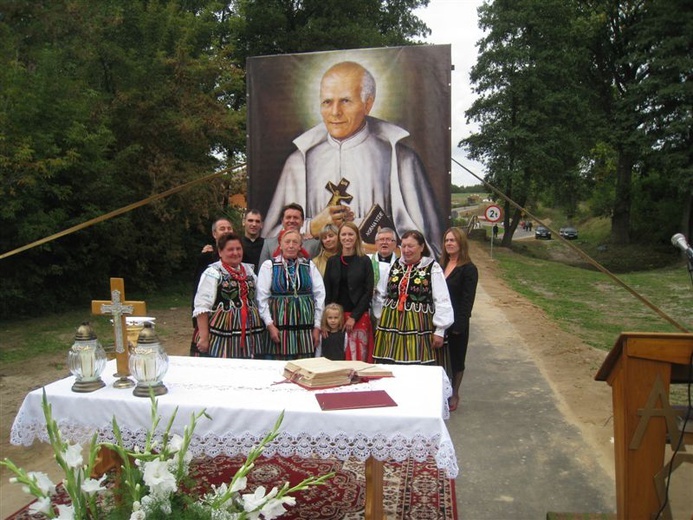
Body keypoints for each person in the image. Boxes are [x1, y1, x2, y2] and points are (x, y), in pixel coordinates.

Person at [263, 61, 443, 257]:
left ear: (368, 104)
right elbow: (271, 243)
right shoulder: (299, 162)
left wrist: (368, 248)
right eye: (327, 102)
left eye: (346, 101)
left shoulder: (401, 160)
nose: (335, 112)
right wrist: (312, 226)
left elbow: (428, 248)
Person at [373, 230, 453, 365]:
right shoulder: (395, 265)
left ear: (421, 247)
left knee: (418, 365)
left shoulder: (432, 268)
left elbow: (442, 299)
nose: (406, 250)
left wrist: (440, 330)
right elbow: (381, 293)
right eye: (403, 246)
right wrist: (380, 318)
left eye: (411, 246)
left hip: (419, 326)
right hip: (391, 325)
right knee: (390, 365)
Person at [192, 233, 267, 359]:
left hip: (251, 330)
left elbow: (258, 299)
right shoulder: (213, 273)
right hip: (222, 331)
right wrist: (204, 337)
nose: (235, 253)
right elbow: (202, 306)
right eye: (230, 249)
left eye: (238, 249)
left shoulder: (248, 271)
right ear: (220, 252)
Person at [257, 229, 325, 360]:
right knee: (279, 365)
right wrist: (270, 325)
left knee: (304, 366)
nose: (291, 245)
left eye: (295, 242)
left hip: (305, 329)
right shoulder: (269, 265)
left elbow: (320, 295)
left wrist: (317, 326)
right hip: (279, 327)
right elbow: (262, 298)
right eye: (287, 242)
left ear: (300, 246)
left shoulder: (308, 265)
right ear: (280, 245)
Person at [323, 222, 375, 362]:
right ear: (339, 237)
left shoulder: (365, 261)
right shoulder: (332, 261)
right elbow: (327, 291)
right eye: (344, 234)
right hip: (336, 318)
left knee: (356, 356)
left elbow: (368, 292)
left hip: (358, 316)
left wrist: (354, 317)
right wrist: (327, 318)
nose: (347, 238)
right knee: (337, 356)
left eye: (350, 234)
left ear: (357, 237)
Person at [439, 228, 478, 412]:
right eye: (447, 240)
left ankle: (454, 393)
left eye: (453, 240)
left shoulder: (469, 269)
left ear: (461, 243)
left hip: (457, 323)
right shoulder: (441, 265)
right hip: (440, 321)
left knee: (456, 360)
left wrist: (459, 325)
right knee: (441, 359)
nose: (449, 243)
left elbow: (467, 300)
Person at [190, 217, 234, 355]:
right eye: (222, 229)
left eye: (229, 228)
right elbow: (199, 290)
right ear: (214, 234)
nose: (226, 231)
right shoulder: (206, 257)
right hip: (214, 322)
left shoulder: (241, 255)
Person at [367, 227, 399, 328]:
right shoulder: (366, 261)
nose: (384, 242)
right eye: (381, 239)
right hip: (371, 308)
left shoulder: (401, 264)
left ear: (395, 244)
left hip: (394, 311)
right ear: (376, 243)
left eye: (388, 240)